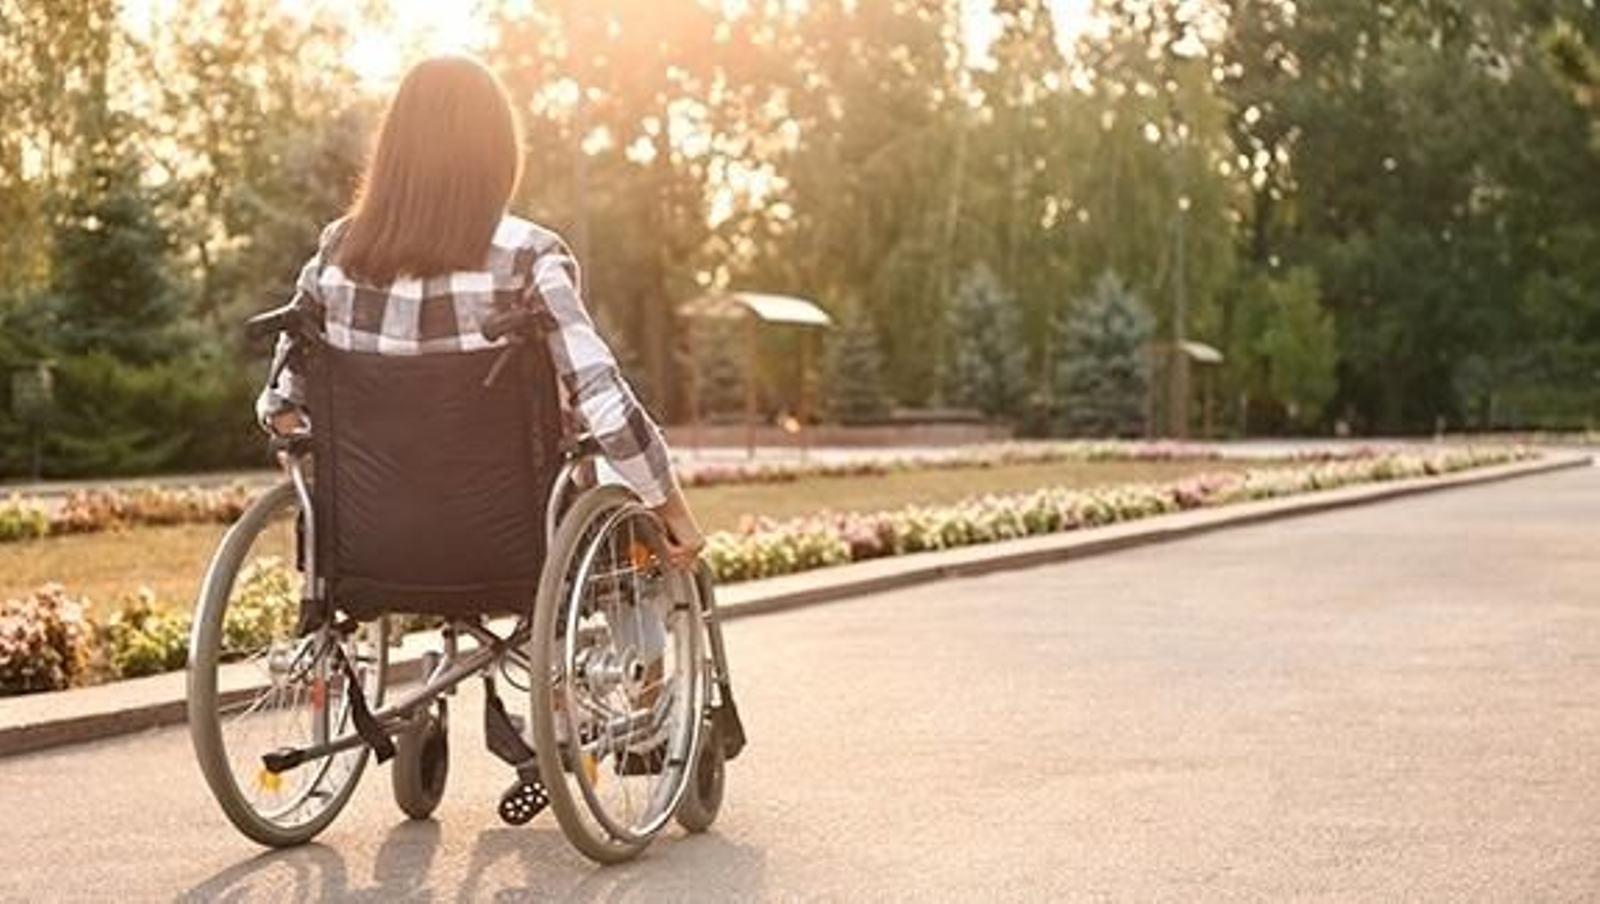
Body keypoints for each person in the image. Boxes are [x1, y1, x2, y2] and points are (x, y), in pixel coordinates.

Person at [255, 54, 705, 567]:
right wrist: (670, 507)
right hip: (510, 543)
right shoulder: (528, 256)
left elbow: (280, 404)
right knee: (618, 503)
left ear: (394, 151)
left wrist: (337, 488)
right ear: (498, 153)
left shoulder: (338, 254)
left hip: (369, 546)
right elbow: (601, 400)